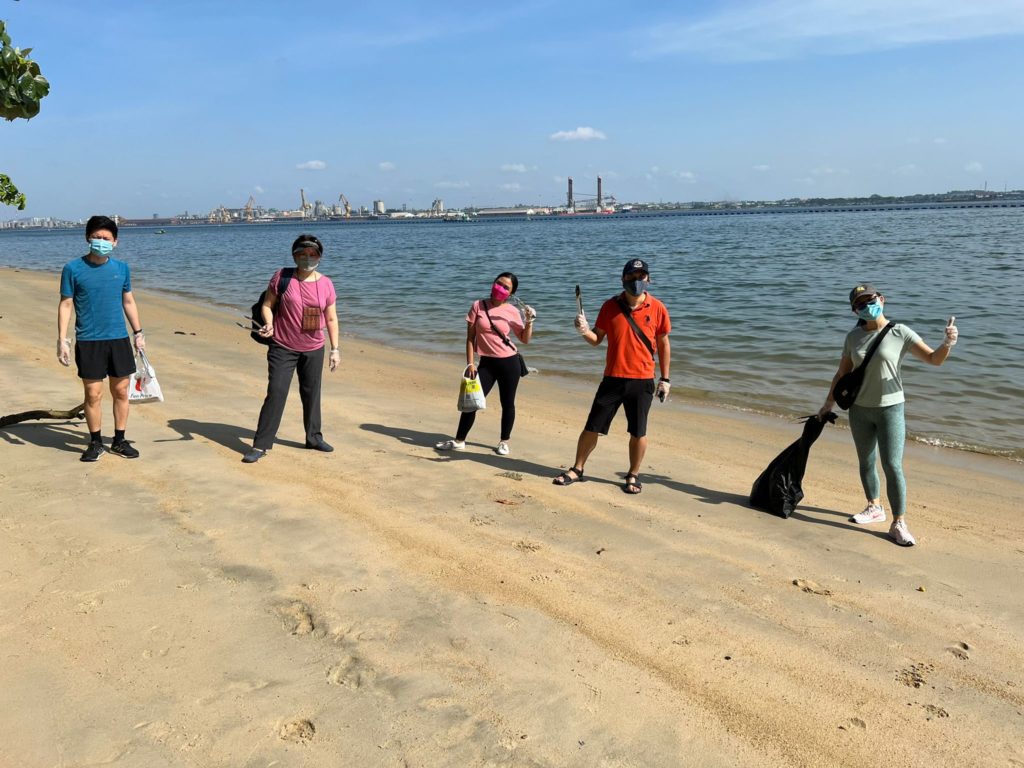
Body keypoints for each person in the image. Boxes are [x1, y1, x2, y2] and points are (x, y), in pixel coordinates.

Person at [818, 282, 959, 546]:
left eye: (870, 300)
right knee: (866, 461)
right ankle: (874, 507)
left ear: (882, 299)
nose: (866, 306)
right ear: (854, 311)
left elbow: (934, 359)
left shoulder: (900, 332)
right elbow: (842, 374)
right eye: (859, 304)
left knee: (892, 465)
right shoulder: (852, 337)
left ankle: (899, 523)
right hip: (859, 409)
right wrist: (827, 405)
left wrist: (948, 342)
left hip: (891, 408)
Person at [553, 258, 671, 494]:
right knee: (592, 426)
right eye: (632, 276)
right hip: (613, 378)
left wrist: (665, 379)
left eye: (641, 276)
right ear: (623, 279)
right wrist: (584, 331)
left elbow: (664, 343)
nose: (636, 281)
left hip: (643, 379)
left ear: (647, 279)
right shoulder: (609, 306)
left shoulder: (657, 307)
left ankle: (633, 475)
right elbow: (597, 340)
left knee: (638, 431)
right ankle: (577, 469)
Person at [243, 234, 340, 463]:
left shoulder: (326, 284)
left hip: (314, 348)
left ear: (320, 257)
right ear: (294, 256)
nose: (307, 258)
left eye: (312, 254)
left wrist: (335, 349)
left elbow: (332, 319)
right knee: (276, 392)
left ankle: (314, 438)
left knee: (311, 393)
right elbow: (268, 305)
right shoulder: (282, 277)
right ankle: (260, 444)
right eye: (302, 254)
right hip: (283, 347)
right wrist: (268, 324)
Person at [57, 215, 146, 462]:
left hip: (118, 339)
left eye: (106, 238)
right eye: (97, 237)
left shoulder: (121, 269)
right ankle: (95, 442)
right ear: (88, 238)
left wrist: (138, 333)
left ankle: (119, 440)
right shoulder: (72, 269)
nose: (101, 241)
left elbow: (128, 301)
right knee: (93, 394)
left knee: (121, 391)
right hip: (88, 340)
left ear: (115, 242)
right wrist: (62, 339)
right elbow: (65, 304)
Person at [435, 272, 536, 455]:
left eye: (506, 287)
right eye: (499, 283)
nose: (501, 288)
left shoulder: (512, 311)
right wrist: (470, 364)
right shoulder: (478, 306)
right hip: (486, 363)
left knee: (508, 403)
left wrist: (529, 321)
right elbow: (470, 338)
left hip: (509, 362)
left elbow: (524, 339)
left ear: (511, 293)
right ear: (493, 283)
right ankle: (459, 440)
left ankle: (504, 441)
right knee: (471, 403)